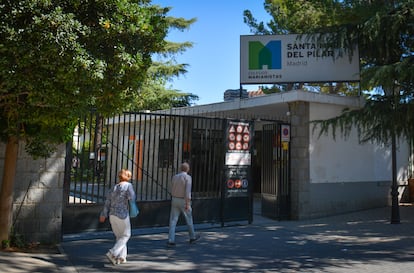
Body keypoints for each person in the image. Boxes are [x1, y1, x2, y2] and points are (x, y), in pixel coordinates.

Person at [99, 169, 136, 265]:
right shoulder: (128, 186)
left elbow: (107, 202)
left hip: (112, 215)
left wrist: (103, 214)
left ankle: (121, 257)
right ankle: (113, 252)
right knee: (126, 235)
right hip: (122, 214)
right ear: (128, 177)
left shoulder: (114, 187)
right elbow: (132, 197)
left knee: (119, 237)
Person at [167, 162, 200, 246]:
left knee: (173, 220)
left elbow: (172, 187)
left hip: (174, 199)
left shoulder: (175, 177)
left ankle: (171, 239)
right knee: (189, 219)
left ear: (180, 168)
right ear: (187, 169)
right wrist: (188, 203)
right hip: (183, 200)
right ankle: (192, 237)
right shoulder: (188, 178)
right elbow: (187, 192)